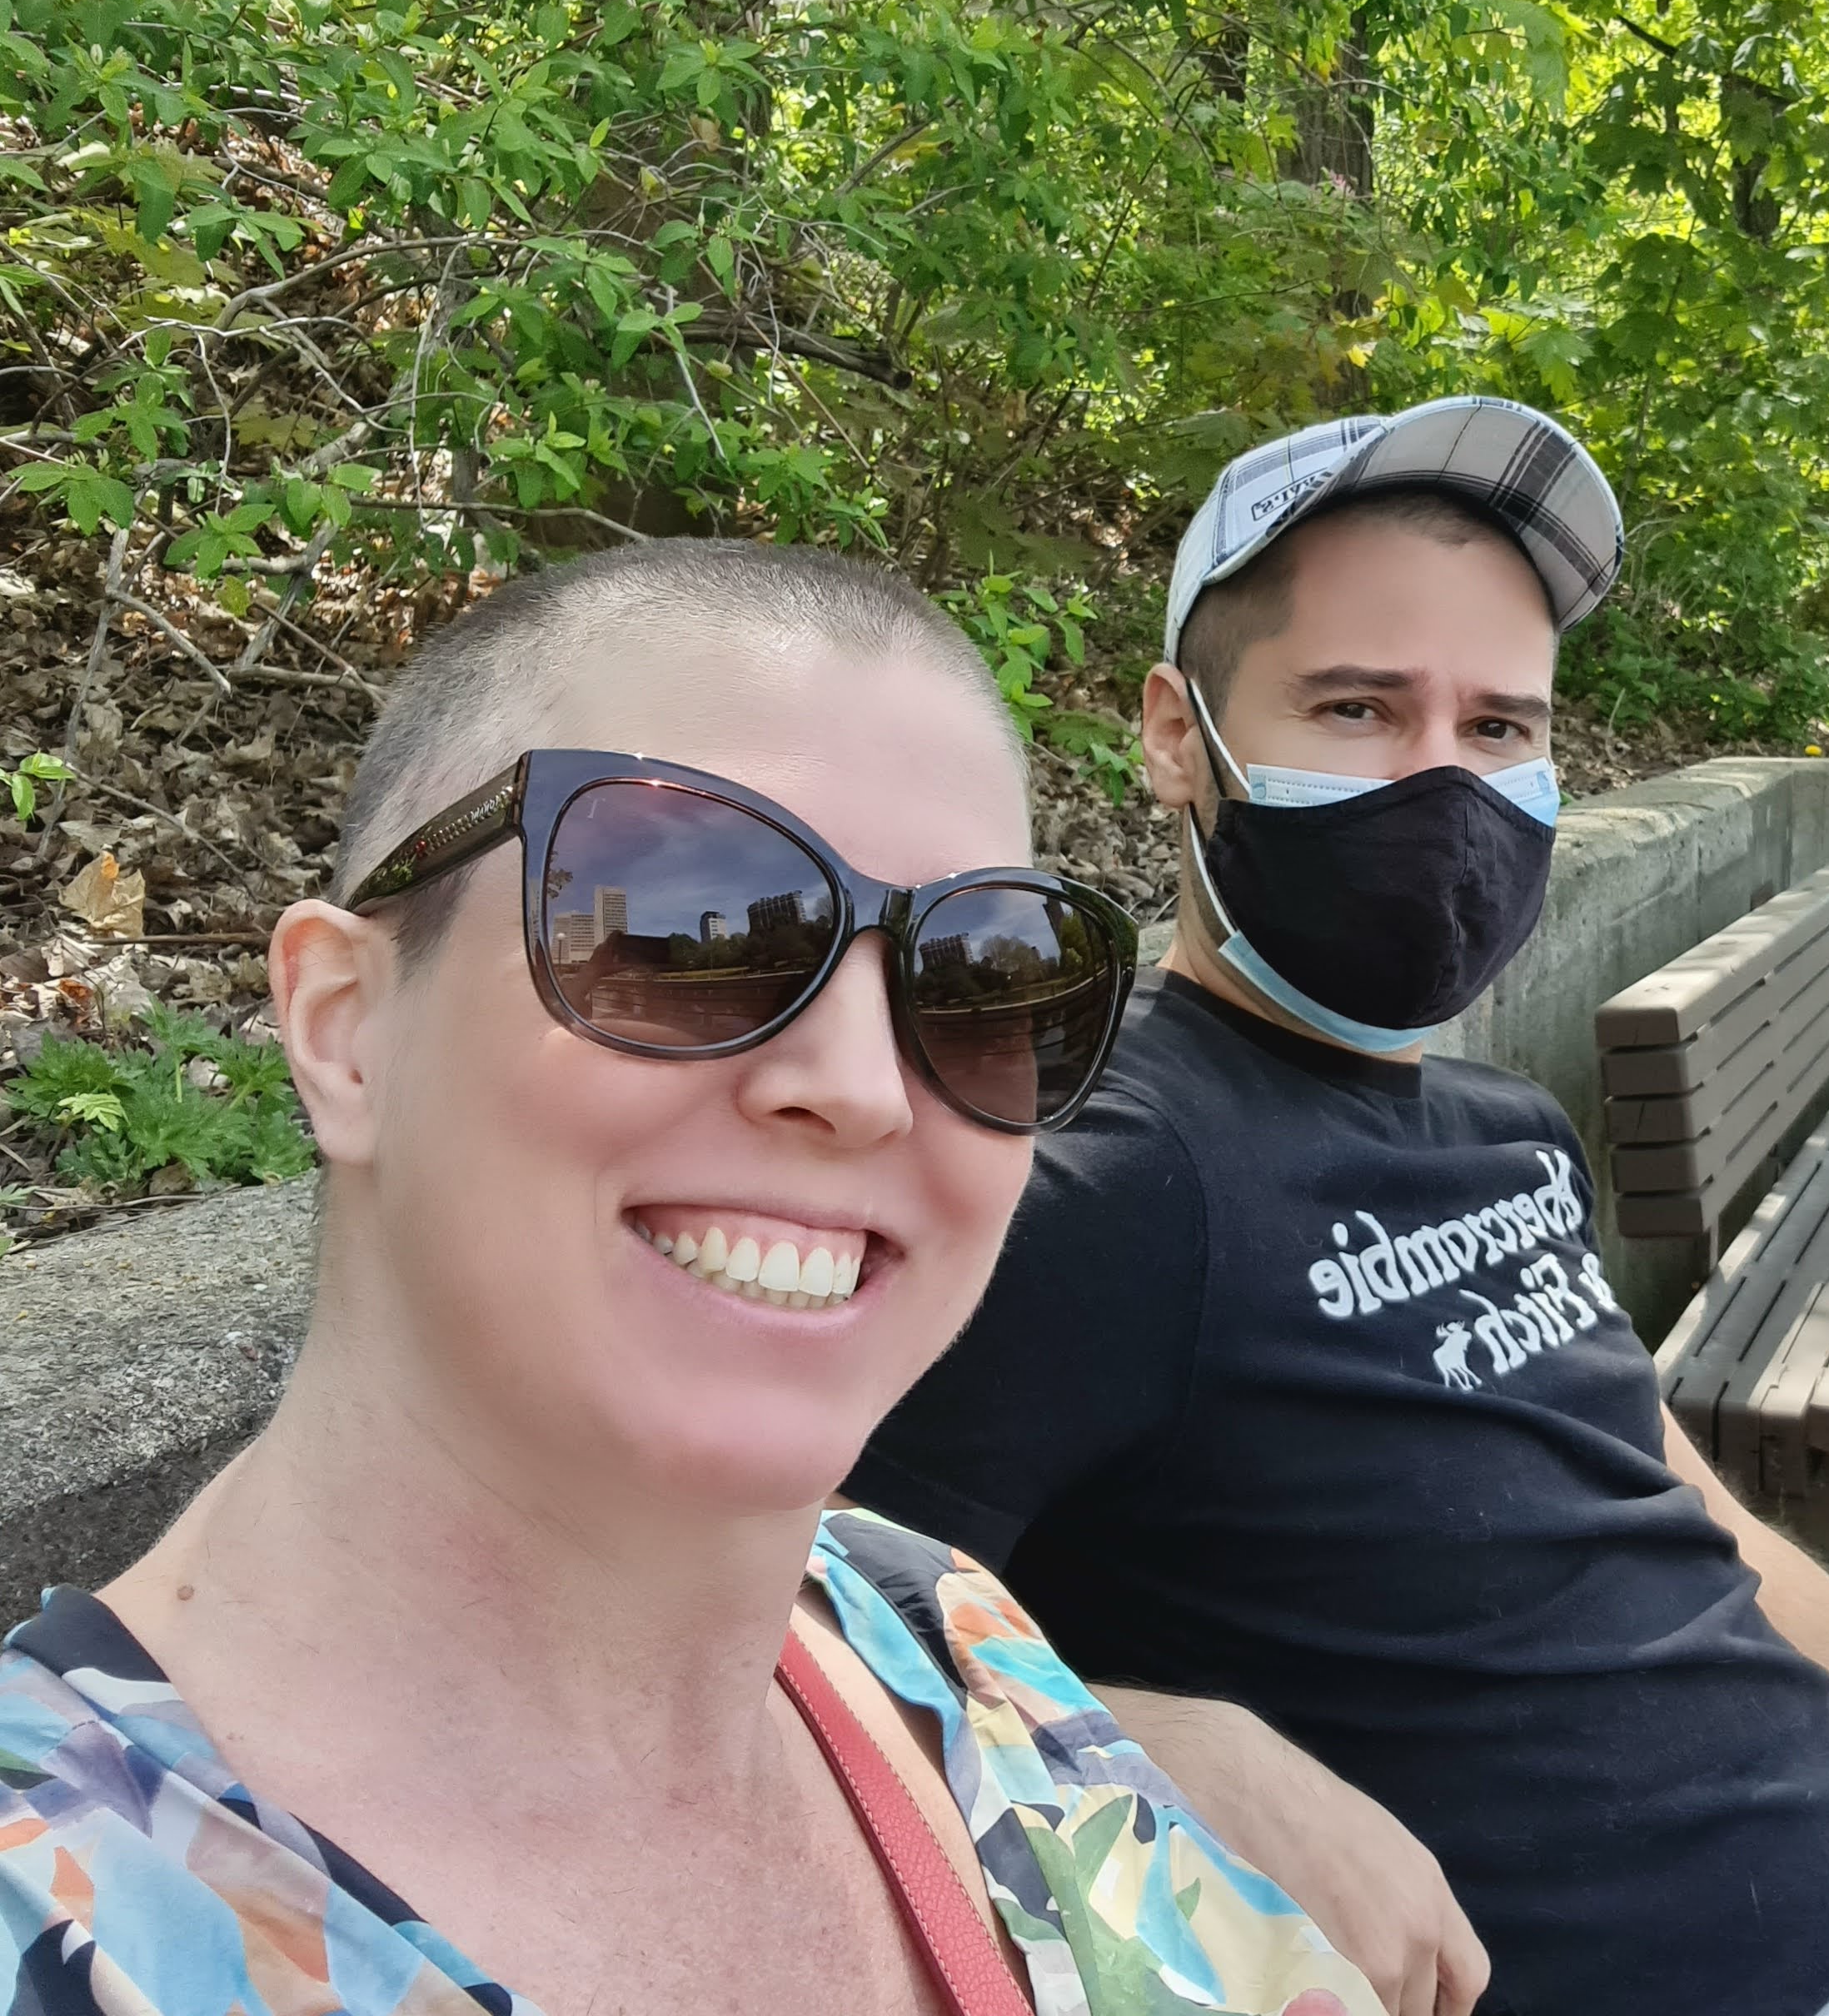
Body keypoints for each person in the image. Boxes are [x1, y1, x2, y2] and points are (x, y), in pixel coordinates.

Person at [850, 399, 1829, 2016]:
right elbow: (761, 1633)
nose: (1445, 790)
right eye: (1356, 708)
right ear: (1173, 735)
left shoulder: (1506, 1131)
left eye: (1500, 730)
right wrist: (1137, 1743)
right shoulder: (1113, 1175)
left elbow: (1721, 1541)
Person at [0, 543, 1377, 2016]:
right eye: (680, 926)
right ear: (346, 1031)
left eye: (981, 981)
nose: (862, 1086)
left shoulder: (943, 1639)